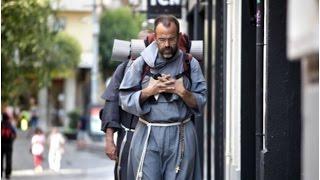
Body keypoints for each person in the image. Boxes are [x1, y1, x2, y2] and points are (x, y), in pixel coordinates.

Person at [119, 15, 207, 180]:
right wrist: (150, 91)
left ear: (179, 36)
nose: (167, 45)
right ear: (155, 37)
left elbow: (201, 101)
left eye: (172, 39)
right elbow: (125, 98)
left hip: (181, 133)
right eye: (162, 39)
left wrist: (182, 92)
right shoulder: (141, 63)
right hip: (148, 132)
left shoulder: (189, 63)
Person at [1, 112, 17, 179]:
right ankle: (7, 174)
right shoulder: (10, 124)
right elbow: (15, 134)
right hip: (9, 144)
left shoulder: (1, 124)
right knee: (8, 159)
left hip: (1, 144)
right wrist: (11, 141)